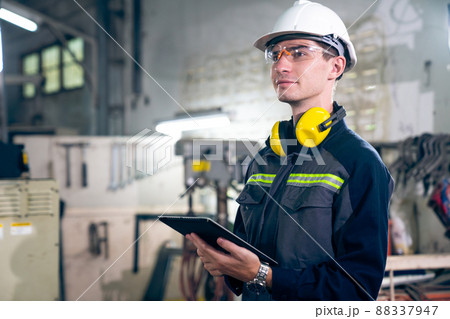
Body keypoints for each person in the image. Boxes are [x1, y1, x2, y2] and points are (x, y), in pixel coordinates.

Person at [186, 0, 394, 301]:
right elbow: (246, 257)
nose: (281, 66)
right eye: (276, 54)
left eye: (299, 53)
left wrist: (264, 276)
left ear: (335, 66)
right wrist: (226, 263)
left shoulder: (359, 163)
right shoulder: (263, 159)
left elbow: (359, 290)